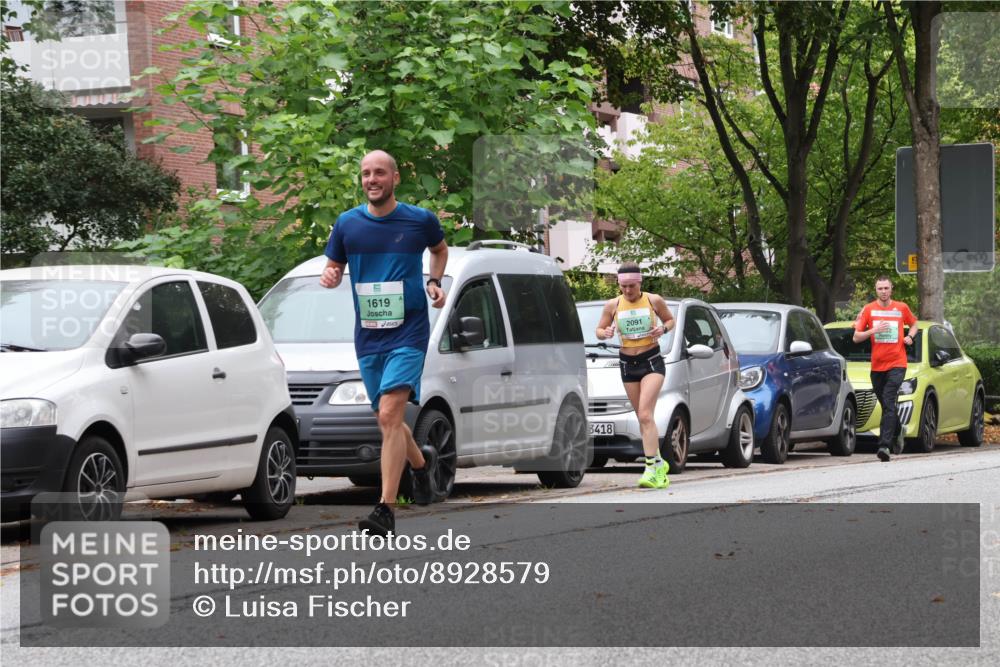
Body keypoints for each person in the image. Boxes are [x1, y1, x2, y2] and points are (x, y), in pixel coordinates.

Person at [320, 149, 448, 536]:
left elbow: (439, 249)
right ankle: (422, 466)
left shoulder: (418, 220)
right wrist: (330, 275)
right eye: (365, 174)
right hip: (369, 333)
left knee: (391, 416)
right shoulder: (347, 224)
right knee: (385, 418)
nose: (371, 179)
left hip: (409, 331)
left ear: (394, 178)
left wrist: (434, 281)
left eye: (379, 173)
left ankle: (385, 508)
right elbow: (334, 265)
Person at [594, 263, 676, 488]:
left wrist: (663, 329)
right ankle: (659, 463)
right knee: (643, 418)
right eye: (623, 286)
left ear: (640, 282)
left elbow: (670, 320)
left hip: (652, 361)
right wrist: (606, 332)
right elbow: (599, 330)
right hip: (627, 363)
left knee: (645, 414)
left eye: (631, 286)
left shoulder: (653, 300)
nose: (627, 291)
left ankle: (651, 468)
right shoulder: (613, 304)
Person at [852, 275, 918, 462]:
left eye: (886, 288)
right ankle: (899, 429)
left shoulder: (901, 308)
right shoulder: (869, 310)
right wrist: (873, 330)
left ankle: (884, 446)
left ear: (891, 289)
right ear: (876, 290)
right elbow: (856, 337)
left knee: (889, 400)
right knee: (886, 404)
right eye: (880, 288)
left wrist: (910, 337)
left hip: (897, 363)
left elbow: (914, 324)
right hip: (877, 366)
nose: (883, 291)